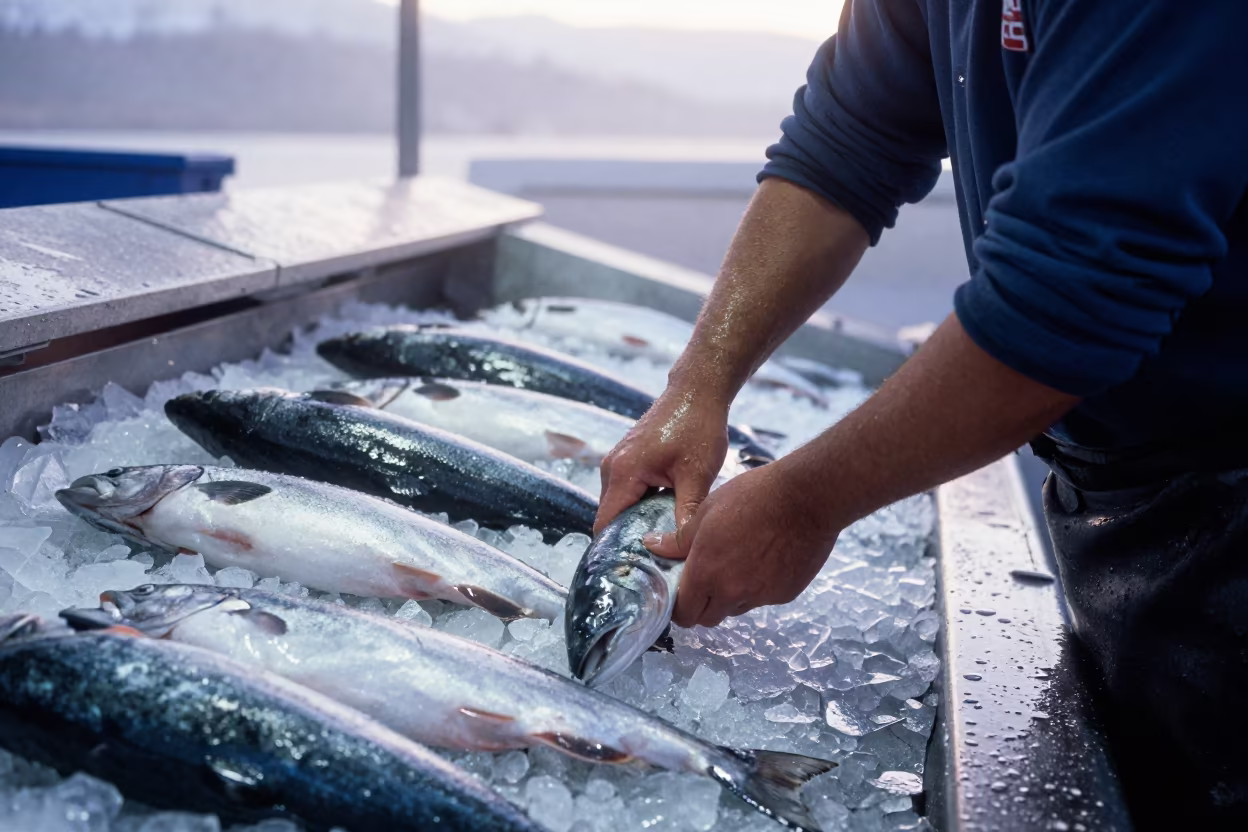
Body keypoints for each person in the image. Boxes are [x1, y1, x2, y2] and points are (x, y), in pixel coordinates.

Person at [593, 0, 1248, 826]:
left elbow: (1070, 299)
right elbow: (847, 145)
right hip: (1120, 488)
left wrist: (805, 503)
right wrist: (698, 389)